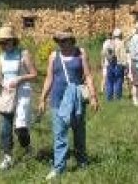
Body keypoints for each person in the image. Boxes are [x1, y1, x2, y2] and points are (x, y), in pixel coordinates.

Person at [38, 28, 99, 180]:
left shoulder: (81, 53)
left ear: (72, 40)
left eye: (65, 40)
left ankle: (82, 162)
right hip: (57, 100)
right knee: (60, 135)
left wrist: (93, 97)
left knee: (79, 133)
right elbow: (49, 78)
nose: (62, 44)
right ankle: (59, 167)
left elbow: (88, 76)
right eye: (59, 41)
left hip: (76, 101)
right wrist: (42, 98)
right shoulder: (54, 56)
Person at [0, 23, 38, 170]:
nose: (2, 45)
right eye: (0, 42)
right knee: (5, 126)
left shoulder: (23, 54)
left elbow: (34, 75)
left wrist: (20, 79)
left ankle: (27, 146)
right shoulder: (1, 56)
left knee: (20, 127)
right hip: (6, 93)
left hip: (23, 92)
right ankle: (7, 157)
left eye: (5, 41)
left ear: (13, 41)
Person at [105, 28, 127, 101]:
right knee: (118, 81)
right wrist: (125, 65)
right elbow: (123, 55)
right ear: (120, 35)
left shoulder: (109, 42)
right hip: (118, 64)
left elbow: (105, 53)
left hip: (110, 64)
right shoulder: (121, 43)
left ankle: (109, 98)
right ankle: (118, 98)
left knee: (110, 81)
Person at [127, 22, 138, 106]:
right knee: (137, 83)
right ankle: (136, 100)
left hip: (133, 60)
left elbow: (129, 49)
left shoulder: (133, 37)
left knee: (135, 82)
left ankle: (136, 99)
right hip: (137, 61)